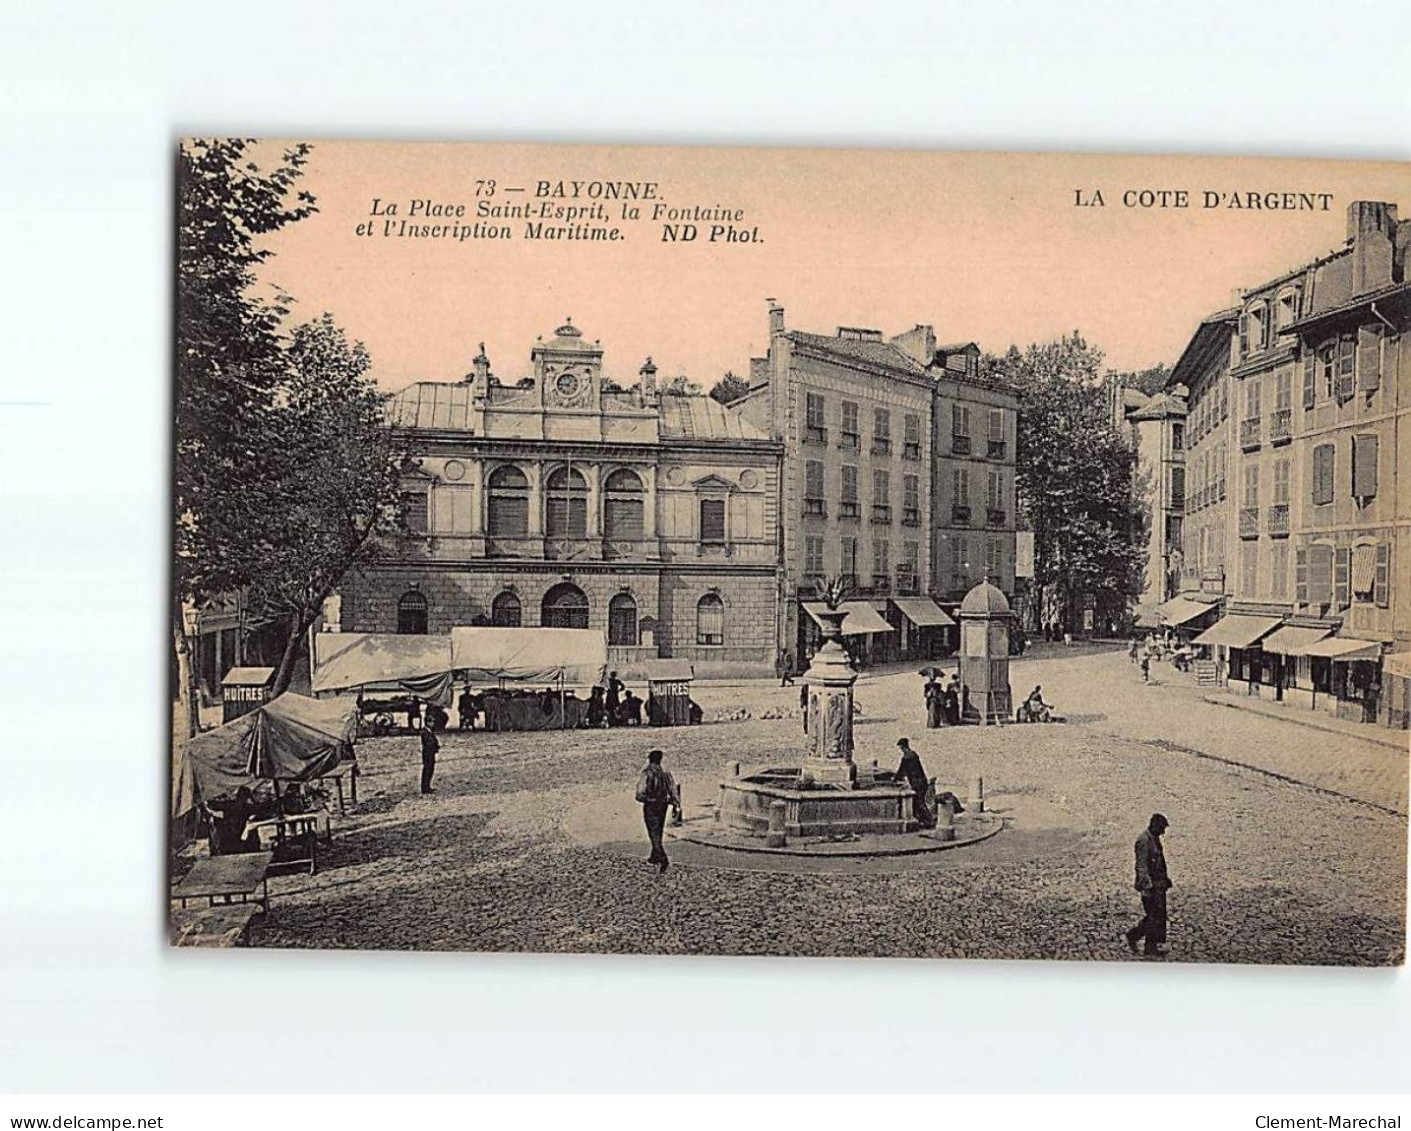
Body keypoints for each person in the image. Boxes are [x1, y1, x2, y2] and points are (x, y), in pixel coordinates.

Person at [1124, 814, 1173, 957]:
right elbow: (1141, 866)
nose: (1163, 832)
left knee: (1159, 916)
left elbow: (1159, 862)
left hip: (1159, 885)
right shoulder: (1143, 841)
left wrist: (1165, 879)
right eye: (1162, 828)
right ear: (1154, 826)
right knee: (1154, 917)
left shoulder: (1154, 838)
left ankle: (1152, 944)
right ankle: (1143, 942)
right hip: (1151, 887)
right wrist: (1146, 887)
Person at [635, 749, 681, 873]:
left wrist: (645, 798)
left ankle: (662, 857)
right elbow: (673, 789)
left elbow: (640, 793)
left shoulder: (647, 773)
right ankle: (654, 856)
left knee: (652, 831)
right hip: (663, 805)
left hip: (651, 805)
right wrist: (676, 804)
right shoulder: (665, 773)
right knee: (658, 830)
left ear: (649, 759)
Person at [894, 738, 935, 829]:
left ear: (903, 747)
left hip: (917, 783)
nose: (900, 749)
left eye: (900, 747)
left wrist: (894, 779)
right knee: (918, 802)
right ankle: (923, 821)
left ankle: (929, 821)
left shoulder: (907, 757)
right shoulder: (914, 754)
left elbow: (901, 771)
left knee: (919, 803)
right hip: (922, 781)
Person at [418, 722, 439, 794]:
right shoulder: (424, 732)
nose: (433, 723)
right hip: (428, 753)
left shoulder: (430, 731)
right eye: (432, 722)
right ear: (428, 722)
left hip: (431, 753)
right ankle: (425, 788)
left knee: (430, 770)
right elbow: (428, 743)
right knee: (427, 770)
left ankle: (427, 786)